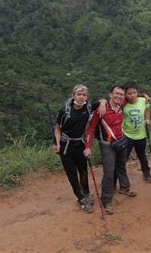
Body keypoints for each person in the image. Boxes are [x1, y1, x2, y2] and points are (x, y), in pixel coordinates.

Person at [85, 85, 137, 215]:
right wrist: (87, 147)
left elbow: (133, 96)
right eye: (117, 93)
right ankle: (106, 200)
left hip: (121, 141)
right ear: (110, 95)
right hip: (107, 144)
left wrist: (143, 96)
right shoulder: (101, 110)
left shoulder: (121, 105)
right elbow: (91, 129)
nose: (119, 96)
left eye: (121, 94)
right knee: (109, 172)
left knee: (121, 166)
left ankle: (124, 187)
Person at [53, 84, 101, 213]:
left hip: (80, 143)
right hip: (66, 145)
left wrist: (102, 104)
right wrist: (57, 143)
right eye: (79, 94)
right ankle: (80, 198)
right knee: (72, 173)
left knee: (83, 170)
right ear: (73, 95)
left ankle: (86, 193)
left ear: (87, 96)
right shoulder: (65, 111)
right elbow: (57, 127)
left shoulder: (88, 106)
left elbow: (103, 101)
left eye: (84, 94)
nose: (81, 97)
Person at [122, 81, 151, 183]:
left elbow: (148, 109)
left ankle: (146, 173)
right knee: (124, 158)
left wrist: (148, 119)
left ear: (137, 92)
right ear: (125, 95)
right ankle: (122, 178)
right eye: (129, 93)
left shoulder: (142, 100)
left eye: (134, 92)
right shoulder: (123, 105)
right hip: (127, 135)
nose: (132, 95)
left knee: (142, 155)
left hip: (141, 134)